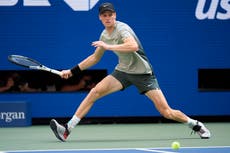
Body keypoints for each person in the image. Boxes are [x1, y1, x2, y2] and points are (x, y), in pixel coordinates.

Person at [50, 2, 211, 142]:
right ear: (100, 17)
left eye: (110, 14)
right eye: (104, 15)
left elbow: (132, 46)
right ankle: (67, 129)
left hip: (143, 74)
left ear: (115, 15)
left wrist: (109, 46)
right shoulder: (104, 35)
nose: (107, 17)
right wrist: (72, 71)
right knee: (94, 92)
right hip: (123, 72)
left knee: (166, 111)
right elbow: (94, 58)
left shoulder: (122, 28)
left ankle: (196, 125)